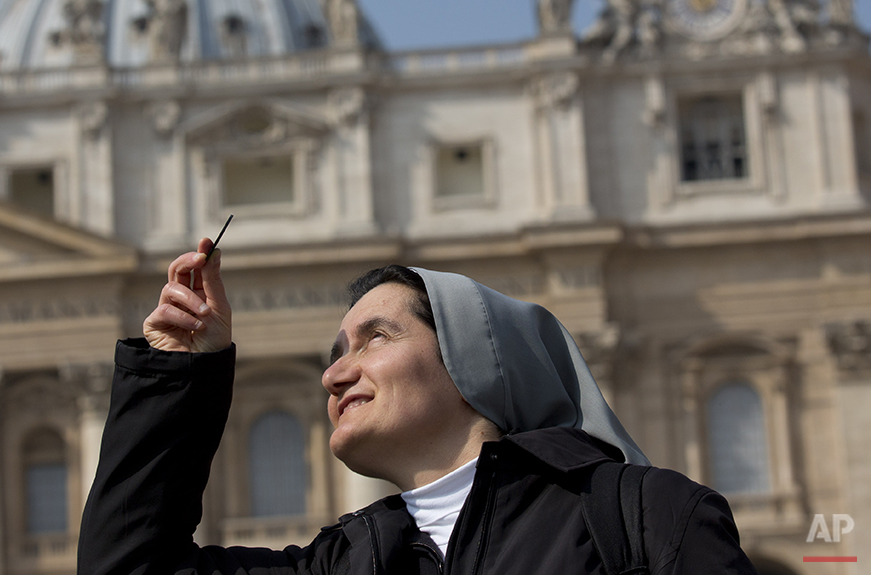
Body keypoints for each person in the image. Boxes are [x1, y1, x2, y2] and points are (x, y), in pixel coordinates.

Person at [78, 243, 757, 574]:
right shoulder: (343, 562)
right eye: (336, 350)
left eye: (374, 337)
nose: (335, 372)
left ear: (472, 359)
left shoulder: (645, 514)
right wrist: (176, 369)